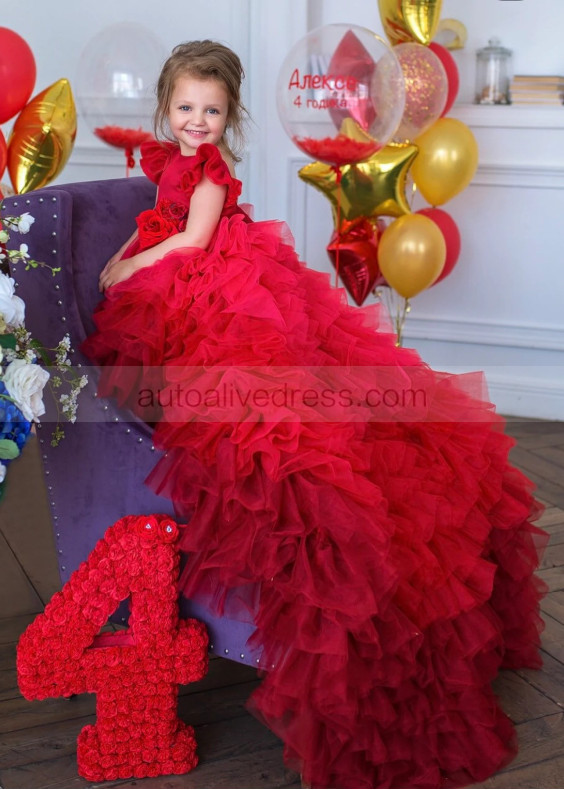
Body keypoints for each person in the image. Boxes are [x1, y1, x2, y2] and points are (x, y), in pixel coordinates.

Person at [82, 40, 547, 789]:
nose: (197, 122)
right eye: (185, 109)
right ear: (166, 109)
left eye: (212, 111)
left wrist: (130, 264)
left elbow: (194, 238)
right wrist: (142, 248)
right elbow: (168, 224)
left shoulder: (208, 173)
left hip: (217, 276)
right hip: (194, 271)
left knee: (260, 388)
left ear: (230, 117)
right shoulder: (167, 161)